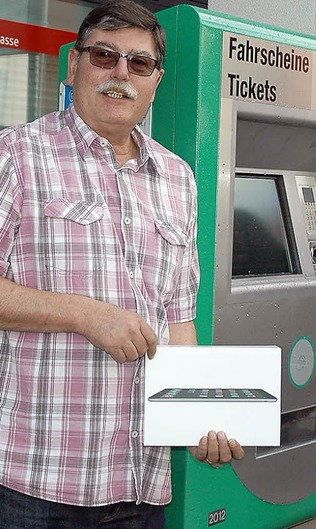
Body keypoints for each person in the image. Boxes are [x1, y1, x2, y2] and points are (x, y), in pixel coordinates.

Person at [0, 1, 244, 527]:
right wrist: (85, 314)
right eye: (104, 56)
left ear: (156, 80)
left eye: (139, 63)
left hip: (140, 488)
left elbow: (179, 321)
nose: (120, 74)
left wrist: (201, 417)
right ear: (74, 65)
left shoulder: (178, 179)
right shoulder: (15, 154)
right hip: (35, 485)